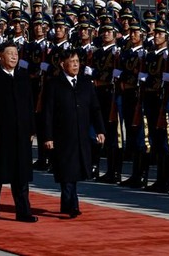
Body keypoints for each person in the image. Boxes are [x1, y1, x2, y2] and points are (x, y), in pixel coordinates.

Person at [43, 49, 105, 218]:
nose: (75, 65)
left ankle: (67, 203)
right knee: (66, 170)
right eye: (72, 62)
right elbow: (48, 112)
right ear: (63, 64)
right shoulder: (54, 84)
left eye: (77, 61)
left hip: (81, 134)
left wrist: (100, 129)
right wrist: (48, 136)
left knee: (75, 170)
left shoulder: (86, 83)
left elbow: (95, 108)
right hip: (62, 135)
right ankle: (72, 205)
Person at [0, 41, 37, 222]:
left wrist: (31, 129)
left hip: (21, 134)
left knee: (21, 174)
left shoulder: (23, 77)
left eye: (16, 53)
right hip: (0, 134)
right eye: (10, 53)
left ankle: (23, 212)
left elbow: (30, 105)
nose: (14, 56)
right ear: (0, 56)